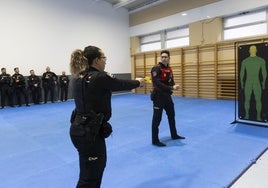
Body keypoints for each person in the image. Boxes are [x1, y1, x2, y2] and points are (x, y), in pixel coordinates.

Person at [69, 45, 144, 188]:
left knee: (90, 173)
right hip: (89, 133)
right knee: (90, 178)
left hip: (79, 129)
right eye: (104, 58)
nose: (105, 61)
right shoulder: (99, 77)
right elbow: (119, 83)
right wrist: (138, 82)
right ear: (96, 60)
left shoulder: (79, 77)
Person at [150, 50, 185, 147]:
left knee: (171, 115)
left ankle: (174, 135)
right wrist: (170, 87)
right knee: (157, 119)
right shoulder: (156, 68)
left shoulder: (169, 69)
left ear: (169, 58)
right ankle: (155, 140)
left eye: (166, 57)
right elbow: (157, 83)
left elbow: (171, 81)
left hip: (167, 97)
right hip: (158, 97)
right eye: (162, 57)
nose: (164, 58)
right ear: (160, 58)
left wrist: (174, 85)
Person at [240, 45, 267, 121]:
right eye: (251, 49)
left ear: (256, 50)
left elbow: (264, 73)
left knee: (258, 100)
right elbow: (242, 73)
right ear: (249, 51)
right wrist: (241, 83)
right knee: (247, 99)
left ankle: (258, 116)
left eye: (253, 49)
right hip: (249, 82)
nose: (252, 50)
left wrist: (264, 83)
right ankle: (247, 115)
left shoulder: (261, 60)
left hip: (256, 82)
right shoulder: (245, 61)